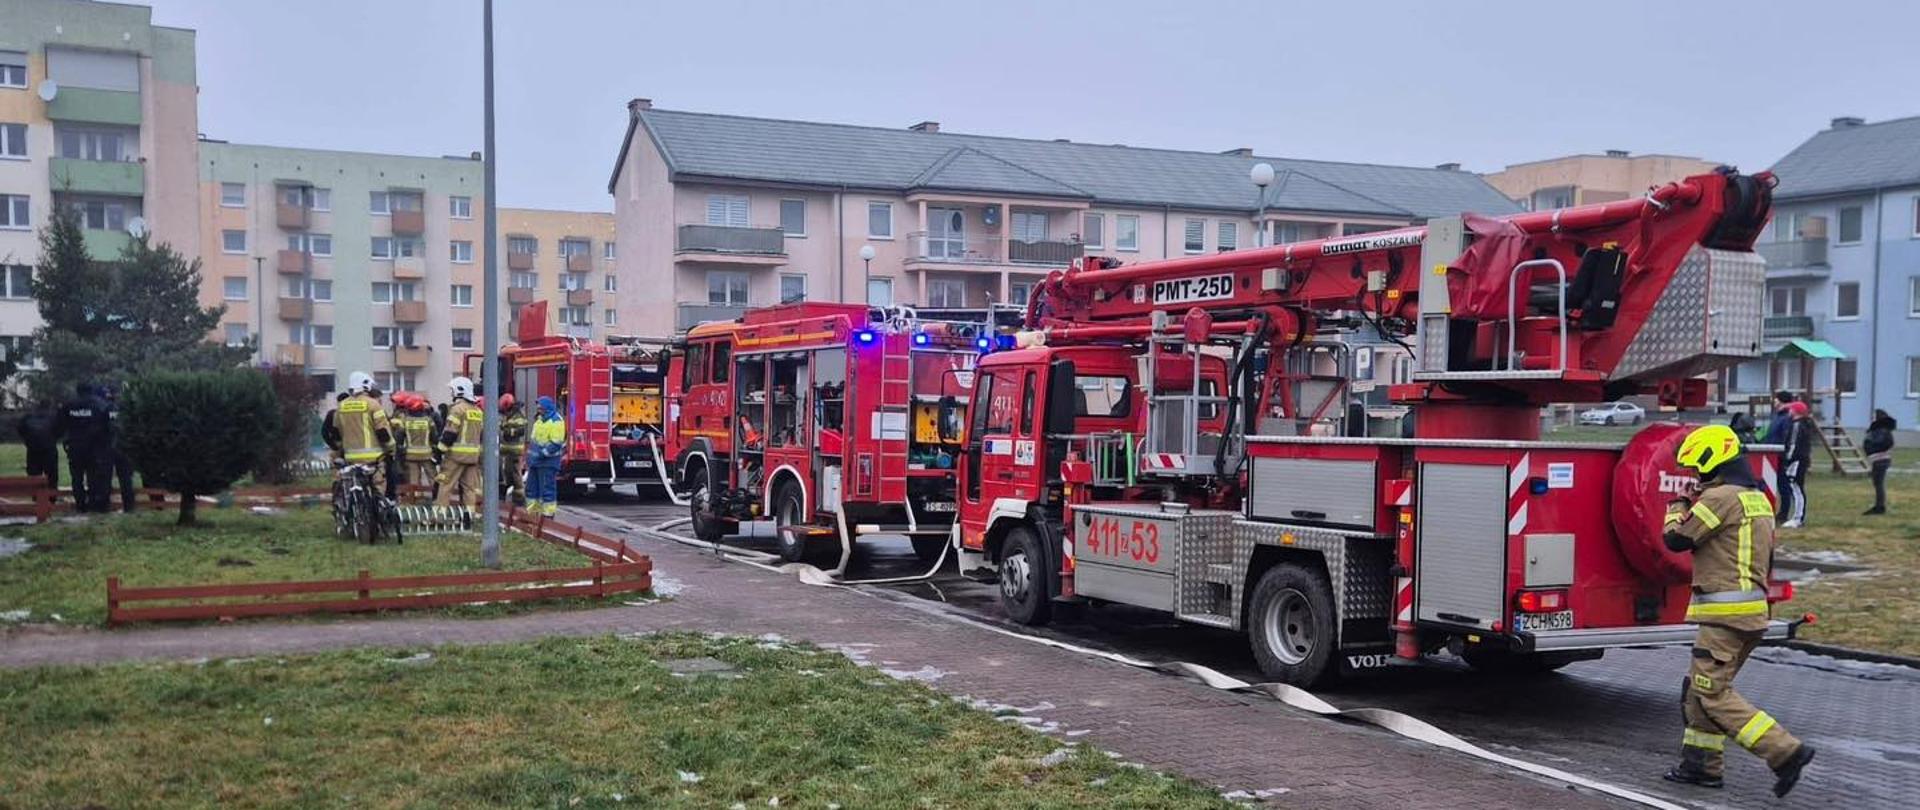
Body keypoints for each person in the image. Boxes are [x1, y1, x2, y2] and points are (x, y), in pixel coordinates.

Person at [1663, 425, 1815, 796]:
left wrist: (1678, 504)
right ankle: (1701, 767)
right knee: (1697, 692)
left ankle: (1785, 752)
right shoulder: (1756, 497)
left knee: (1712, 694)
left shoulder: (1719, 499)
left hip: (1724, 617)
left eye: (1697, 468)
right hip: (1749, 614)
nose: (1696, 475)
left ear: (1712, 461)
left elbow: (1676, 539)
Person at [52, 382, 113, 513]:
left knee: (76, 478)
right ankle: (93, 504)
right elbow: (108, 426)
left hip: (75, 446)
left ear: (78, 391)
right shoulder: (101, 405)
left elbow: (58, 426)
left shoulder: (69, 405)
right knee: (93, 477)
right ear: (91, 390)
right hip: (95, 447)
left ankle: (80, 505)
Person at [331, 372, 395, 494]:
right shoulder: (373, 404)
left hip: (350, 458)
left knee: (352, 488)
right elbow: (382, 432)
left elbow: (336, 433)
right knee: (378, 488)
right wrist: (391, 449)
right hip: (373, 458)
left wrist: (340, 450)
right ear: (366, 385)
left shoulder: (341, 406)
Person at [433, 376, 485, 511]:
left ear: (459, 390)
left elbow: (450, 433)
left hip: (456, 456)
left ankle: (440, 515)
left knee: (445, 484)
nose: (451, 393)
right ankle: (469, 516)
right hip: (473, 457)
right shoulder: (478, 411)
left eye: (452, 390)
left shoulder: (457, 409)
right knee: (469, 488)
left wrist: (439, 451)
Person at [525, 396, 566, 516]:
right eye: (538, 408)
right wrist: (530, 457)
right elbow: (533, 441)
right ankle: (532, 514)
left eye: (540, 408)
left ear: (547, 408)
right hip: (536, 462)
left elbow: (556, 443)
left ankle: (548, 515)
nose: (539, 410)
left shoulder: (556, 421)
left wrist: (541, 454)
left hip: (548, 462)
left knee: (546, 490)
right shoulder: (539, 420)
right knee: (532, 489)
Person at [398, 394, 440, 500]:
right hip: (427, 455)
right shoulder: (429, 420)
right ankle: (437, 499)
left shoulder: (405, 421)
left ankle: (416, 500)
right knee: (433, 477)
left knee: (414, 479)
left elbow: (399, 438)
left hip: (411, 455)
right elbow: (435, 437)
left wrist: (400, 451)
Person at [102, 385, 136, 513]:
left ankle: (104, 506)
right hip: (125, 446)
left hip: (108, 446)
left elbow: (101, 427)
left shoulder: (106, 408)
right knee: (126, 478)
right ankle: (129, 506)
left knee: (105, 478)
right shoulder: (129, 408)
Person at [1779, 401, 1813, 528]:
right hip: (1800, 459)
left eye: (1791, 409)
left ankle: (1798, 518)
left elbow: (1793, 444)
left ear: (1796, 412)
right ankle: (1797, 516)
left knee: (1796, 487)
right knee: (1796, 487)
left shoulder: (1797, 425)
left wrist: (1788, 459)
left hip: (1796, 460)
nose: (1789, 411)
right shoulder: (1805, 425)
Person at [16, 403, 59, 492]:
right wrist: (52, 439)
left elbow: (20, 429)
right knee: (52, 476)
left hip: (33, 450)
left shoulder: (28, 417)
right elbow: (59, 430)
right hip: (49, 449)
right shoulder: (53, 417)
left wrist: (27, 440)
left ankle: (35, 496)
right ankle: (52, 496)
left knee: (34, 476)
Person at [1863, 408, 1897, 515]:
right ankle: (1879, 505)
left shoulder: (1881, 430)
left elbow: (1882, 443)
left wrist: (1870, 446)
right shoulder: (1883, 430)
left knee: (1878, 484)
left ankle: (1880, 507)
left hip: (1880, 459)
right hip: (1880, 459)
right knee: (1878, 483)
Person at [498, 393, 528, 504]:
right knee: (506, 473)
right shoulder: (508, 415)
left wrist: (508, 432)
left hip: (515, 451)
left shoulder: (518, 416)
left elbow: (521, 430)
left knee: (516, 475)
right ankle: (508, 497)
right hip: (506, 451)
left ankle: (519, 499)